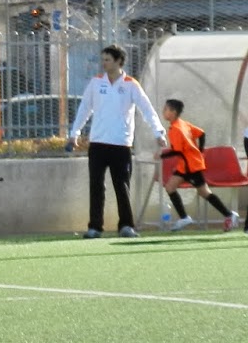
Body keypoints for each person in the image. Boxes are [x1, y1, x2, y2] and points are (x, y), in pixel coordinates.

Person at [68, 44, 166, 239]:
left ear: (119, 61)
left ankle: (126, 226)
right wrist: (74, 132)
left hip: (121, 143)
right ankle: (95, 227)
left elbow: (146, 109)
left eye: (108, 59)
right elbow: (85, 108)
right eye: (103, 59)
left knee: (122, 186)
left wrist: (158, 131)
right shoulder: (96, 83)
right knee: (96, 185)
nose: (104, 63)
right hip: (98, 143)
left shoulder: (130, 84)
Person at [159, 99, 236, 231]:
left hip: (190, 166)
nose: (163, 111)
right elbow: (201, 133)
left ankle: (229, 214)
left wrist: (162, 155)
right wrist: (200, 150)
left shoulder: (176, 129)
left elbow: (178, 151)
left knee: (204, 192)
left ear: (173, 112)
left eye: (166, 109)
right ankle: (184, 218)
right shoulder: (182, 124)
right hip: (186, 165)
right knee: (170, 187)